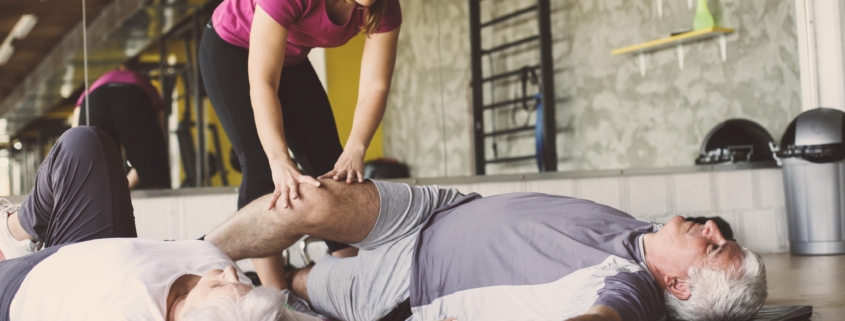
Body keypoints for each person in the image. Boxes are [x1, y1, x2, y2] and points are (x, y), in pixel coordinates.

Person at [205, 179, 769, 321]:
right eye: (721, 236)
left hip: (411, 280)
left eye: (714, 247)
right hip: (440, 207)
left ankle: (288, 282)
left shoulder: (632, 287)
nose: (714, 228)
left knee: (303, 284)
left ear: (677, 285)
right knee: (309, 200)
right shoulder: (647, 232)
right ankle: (192, 252)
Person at [0, 127, 318, 321]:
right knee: (85, 144)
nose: (233, 272)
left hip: (22, 289)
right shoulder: (241, 304)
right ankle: (17, 230)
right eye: (245, 286)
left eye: (220, 286)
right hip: (91, 249)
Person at [198, 0, 402, 264]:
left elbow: (375, 86)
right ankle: (275, 293)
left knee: (334, 168)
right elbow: (264, 83)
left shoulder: (384, 6)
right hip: (231, 46)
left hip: (289, 58)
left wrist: (356, 148)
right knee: (263, 166)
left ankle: (351, 272)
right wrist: (279, 159)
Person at [73, 65, 171, 190]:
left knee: (94, 164)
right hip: (132, 97)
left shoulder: (97, 82)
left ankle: (105, 196)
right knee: (152, 167)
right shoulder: (141, 80)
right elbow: (159, 125)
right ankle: (124, 192)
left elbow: (76, 127)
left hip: (94, 103)